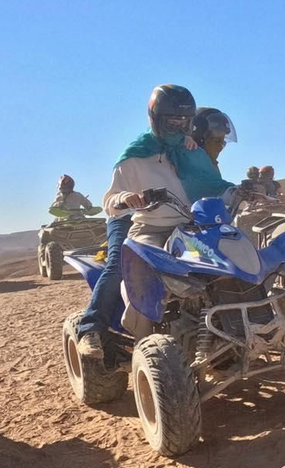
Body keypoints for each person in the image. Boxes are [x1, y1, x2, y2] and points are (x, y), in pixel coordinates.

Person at [75, 84, 195, 361]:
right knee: (126, 264)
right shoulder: (133, 158)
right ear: (156, 118)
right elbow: (110, 201)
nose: (178, 126)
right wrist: (125, 198)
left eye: (184, 121)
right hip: (137, 221)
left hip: (185, 226)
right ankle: (93, 328)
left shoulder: (188, 150)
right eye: (172, 120)